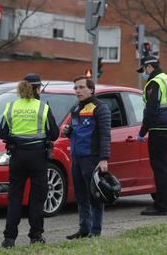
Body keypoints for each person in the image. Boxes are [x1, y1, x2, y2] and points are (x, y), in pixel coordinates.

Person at [0, 73, 59, 248]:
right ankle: (36, 236)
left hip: (17, 156)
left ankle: (9, 239)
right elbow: (54, 134)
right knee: (37, 197)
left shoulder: (11, 106)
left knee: (15, 197)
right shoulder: (42, 108)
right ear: (38, 88)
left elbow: (2, 133)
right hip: (38, 156)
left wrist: (16, 138)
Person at [62, 76, 111, 239]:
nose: (78, 91)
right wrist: (68, 132)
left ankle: (95, 231)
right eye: (76, 88)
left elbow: (105, 135)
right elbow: (77, 132)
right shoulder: (76, 109)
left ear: (91, 89)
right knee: (81, 196)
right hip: (76, 158)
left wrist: (104, 159)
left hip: (92, 158)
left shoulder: (100, 108)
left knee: (95, 195)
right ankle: (84, 229)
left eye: (81, 87)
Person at [136, 55, 167, 216]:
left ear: (149, 67)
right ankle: (166, 204)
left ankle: (161, 206)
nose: (143, 74)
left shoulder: (154, 83)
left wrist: (142, 132)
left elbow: (151, 111)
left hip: (160, 130)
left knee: (160, 168)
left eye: (143, 70)